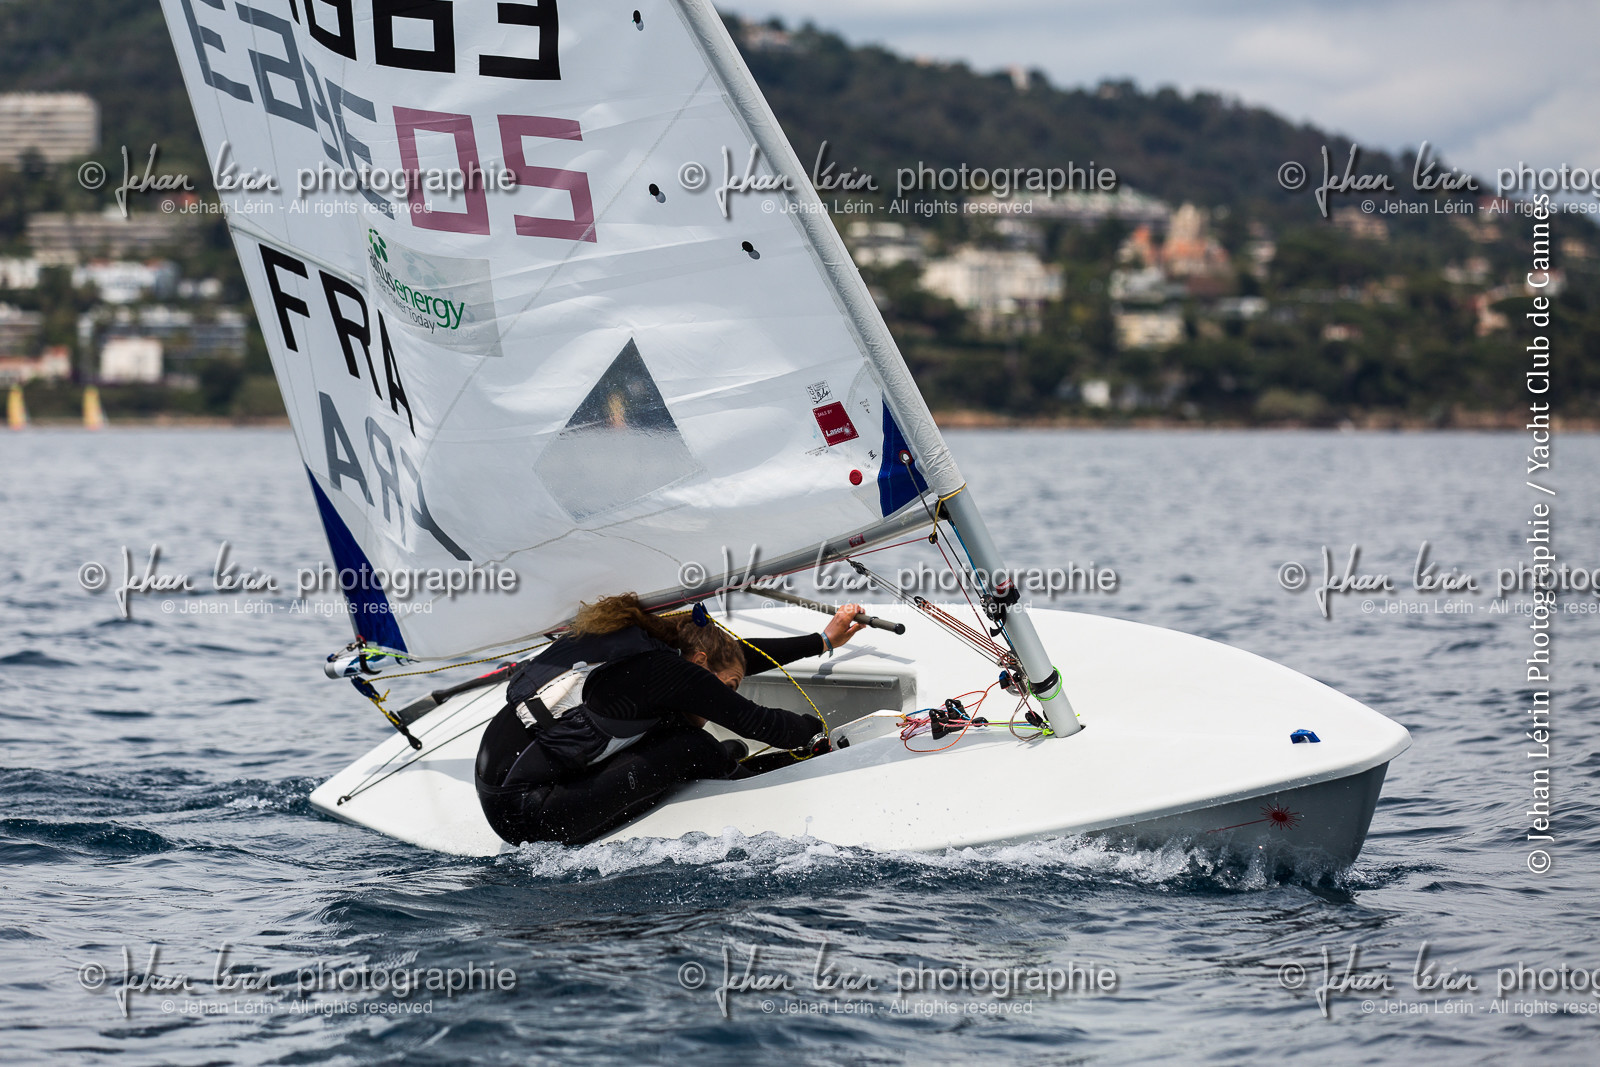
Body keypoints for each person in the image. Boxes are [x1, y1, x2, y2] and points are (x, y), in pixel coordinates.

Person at [475, 594, 869, 846]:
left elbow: (738, 657)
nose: (721, 700)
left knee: (700, 740)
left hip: (513, 785)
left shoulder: (651, 653)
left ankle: (728, 759)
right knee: (694, 747)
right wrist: (818, 732)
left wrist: (822, 641)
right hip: (526, 816)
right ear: (698, 662)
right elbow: (765, 726)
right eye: (727, 688)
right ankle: (743, 778)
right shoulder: (672, 674)